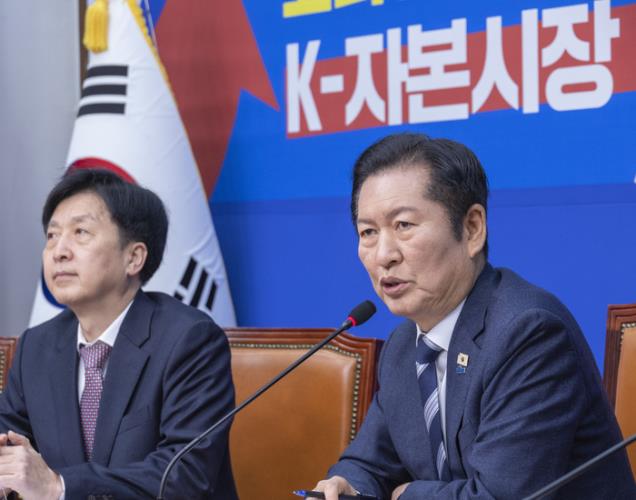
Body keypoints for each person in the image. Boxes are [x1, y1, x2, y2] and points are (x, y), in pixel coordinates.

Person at [313, 134, 636, 499]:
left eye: (403, 225)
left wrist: (406, 495)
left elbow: (499, 496)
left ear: (472, 229)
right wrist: (347, 484)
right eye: (368, 232)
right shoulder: (405, 346)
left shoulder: (529, 334)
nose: (383, 254)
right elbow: (370, 463)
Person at [0, 169, 238, 499]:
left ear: (134, 257)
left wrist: (60, 487)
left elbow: (184, 475)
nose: (59, 251)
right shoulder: (36, 347)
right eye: (52, 236)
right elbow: (7, 444)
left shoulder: (190, 340)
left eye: (80, 232)